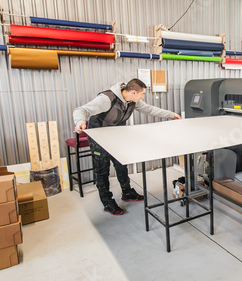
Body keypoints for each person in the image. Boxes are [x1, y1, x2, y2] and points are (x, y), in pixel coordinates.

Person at [73, 78, 181, 215]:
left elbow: (150, 109)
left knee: (121, 164)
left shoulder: (132, 101)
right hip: (99, 137)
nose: (142, 97)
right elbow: (81, 110)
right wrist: (80, 122)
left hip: (116, 135)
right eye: (142, 94)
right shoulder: (107, 99)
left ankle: (127, 192)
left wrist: (172, 115)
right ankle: (107, 201)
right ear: (134, 92)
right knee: (102, 169)